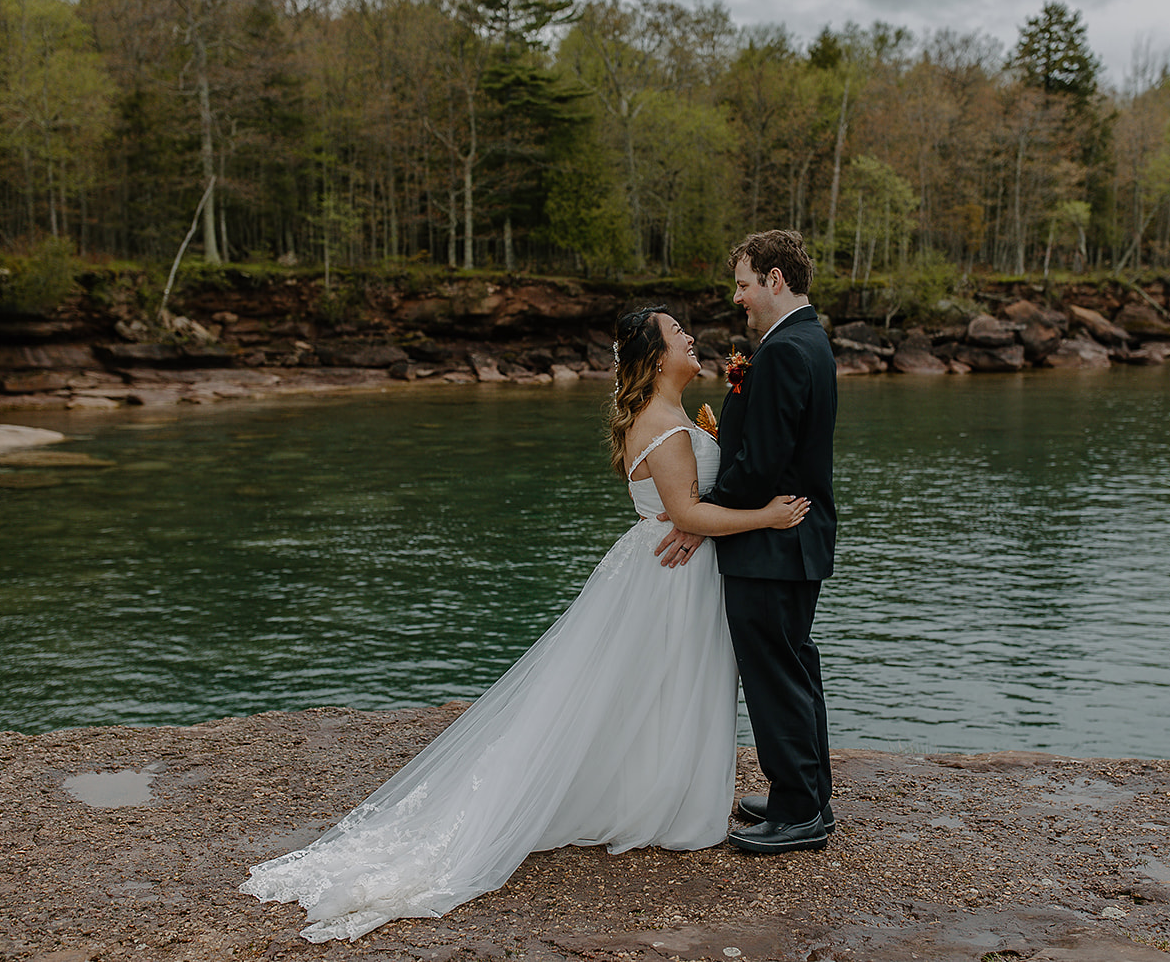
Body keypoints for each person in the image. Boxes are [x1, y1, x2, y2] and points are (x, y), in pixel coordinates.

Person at [239, 305, 809, 942]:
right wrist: (768, 517)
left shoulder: (664, 418)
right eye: (680, 334)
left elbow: (685, 509)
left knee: (638, 690)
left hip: (657, 567)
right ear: (655, 355)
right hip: (670, 581)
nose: (692, 338)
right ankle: (655, 801)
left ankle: (647, 788)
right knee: (663, 686)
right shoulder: (665, 426)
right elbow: (688, 514)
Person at [657, 229, 837, 855]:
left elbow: (761, 461)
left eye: (742, 283)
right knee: (794, 666)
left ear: (774, 280)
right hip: (789, 537)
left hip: (775, 541)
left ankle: (798, 810)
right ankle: (809, 794)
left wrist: (698, 514)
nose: (737, 296)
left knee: (774, 675)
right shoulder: (805, 340)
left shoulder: (787, 350)